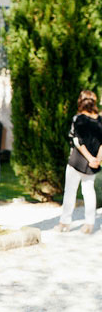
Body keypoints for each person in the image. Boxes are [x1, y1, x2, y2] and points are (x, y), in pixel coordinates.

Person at [59, 89, 101, 233]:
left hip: (77, 161)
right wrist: (97, 160)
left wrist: (90, 158)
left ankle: (64, 223)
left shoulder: (78, 118)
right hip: (93, 163)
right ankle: (89, 224)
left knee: (70, 192)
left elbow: (77, 141)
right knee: (89, 191)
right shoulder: (100, 120)